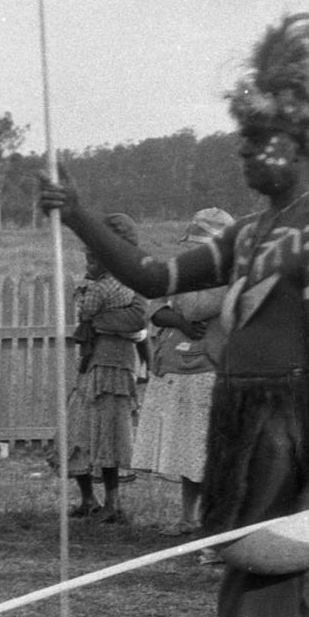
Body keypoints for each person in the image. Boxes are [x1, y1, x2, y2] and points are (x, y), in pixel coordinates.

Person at [40, 14, 309, 617]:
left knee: (252, 604)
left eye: (264, 145)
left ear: (304, 144)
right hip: (241, 418)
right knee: (288, 605)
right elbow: (150, 275)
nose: (248, 157)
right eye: (246, 143)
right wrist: (79, 216)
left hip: (285, 426)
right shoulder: (255, 231)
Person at [131, 208, 234, 534]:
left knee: (208, 449)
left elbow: (196, 306)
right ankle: (188, 515)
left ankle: (213, 518)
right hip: (176, 366)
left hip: (211, 368)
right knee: (186, 449)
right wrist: (178, 321)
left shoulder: (230, 279)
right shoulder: (183, 272)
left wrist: (182, 309)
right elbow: (156, 310)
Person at [62, 213, 148, 523]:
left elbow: (137, 320)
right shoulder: (94, 280)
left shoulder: (133, 278)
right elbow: (85, 313)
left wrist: (95, 324)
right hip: (90, 363)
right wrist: (93, 325)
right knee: (80, 427)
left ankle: (113, 502)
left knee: (110, 430)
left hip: (116, 363)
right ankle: (87, 498)